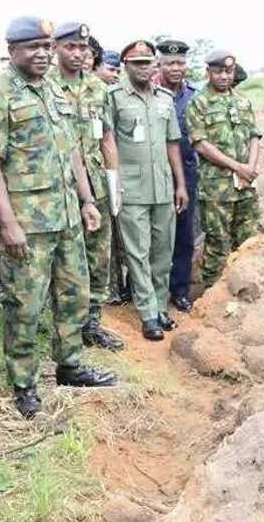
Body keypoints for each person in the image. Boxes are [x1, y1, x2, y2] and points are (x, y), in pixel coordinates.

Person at [0, 16, 117, 418]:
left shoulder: (54, 88)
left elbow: (71, 149)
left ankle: (69, 365)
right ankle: (23, 383)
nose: (41, 53)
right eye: (32, 47)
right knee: (26, 306)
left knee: (74, 295)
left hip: (67, 215)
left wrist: (87, 200)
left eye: (46, 46)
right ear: (12, 50)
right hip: (28, 224)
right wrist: (8, 223)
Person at [102, 40, 189, 340]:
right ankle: (148, 313)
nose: (143, 67)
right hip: (132, 188)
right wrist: (115, 184)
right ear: (126, 65)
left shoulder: (164, 98)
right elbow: (107, 140)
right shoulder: (113, 97)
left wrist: (180, 184)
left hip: (163, 186)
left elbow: (172, 143)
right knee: (138, 252)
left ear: (154, 64)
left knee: (163, 251)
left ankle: (162, 306)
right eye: (137, 62)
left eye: (147, 62)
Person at [48, 22, 123, 351]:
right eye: (70, 48)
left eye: (83, 49)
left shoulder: (97, 88)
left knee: (98, 257)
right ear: (56, 49)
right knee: (63, 260)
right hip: (57, 186)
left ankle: (92, 323)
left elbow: (107, 137)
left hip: (96, 182)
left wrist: (114, 180)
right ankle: (63, 326)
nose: (78, 54)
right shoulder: (45, 86)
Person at [185, 49, 261, 287]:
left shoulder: (242, 102)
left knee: (248, 242)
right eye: (218, 72)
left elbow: (254, 136)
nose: (224, 77)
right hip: (217, 189)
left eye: (228, 72)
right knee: (218, 244)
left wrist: (250, 166)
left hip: (245, 185)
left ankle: (247, 291)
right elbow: (200, 144)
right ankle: (213, 298)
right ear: (208, 72)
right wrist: (237, 166)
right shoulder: (199, 103)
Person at [157, 40, 199, 311]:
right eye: (170, 63)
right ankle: (151, 290)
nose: (176, 68)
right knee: (156, 234)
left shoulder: (195, 96)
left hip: (187, 171)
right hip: (156, 173)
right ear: (159, 65)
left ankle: (180, 289)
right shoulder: (150, 92)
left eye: (180, 63)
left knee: (184, 234)